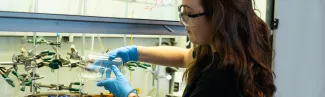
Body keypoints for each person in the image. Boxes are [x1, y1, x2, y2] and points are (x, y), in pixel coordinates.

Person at [96, 0, 277, 97]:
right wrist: (133, 52)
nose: (184, 21)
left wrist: (128, 94)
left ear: (219, 17)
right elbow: (184, 57)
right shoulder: (226, 50)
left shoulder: (221, 81)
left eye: (189, 14)